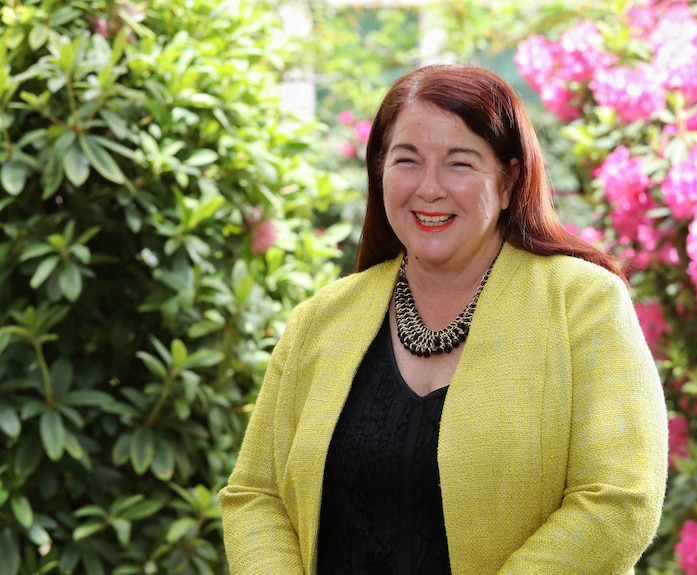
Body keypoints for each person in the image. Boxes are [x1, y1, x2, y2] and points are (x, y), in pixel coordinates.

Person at [219, 63, 668, 575]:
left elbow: (619, 498)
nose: (429, 189)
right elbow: (256, 493)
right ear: (380, 172)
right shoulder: (321, 319)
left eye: (460, 164)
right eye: (407, 160)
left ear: (508, 181)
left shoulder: (582, 302)